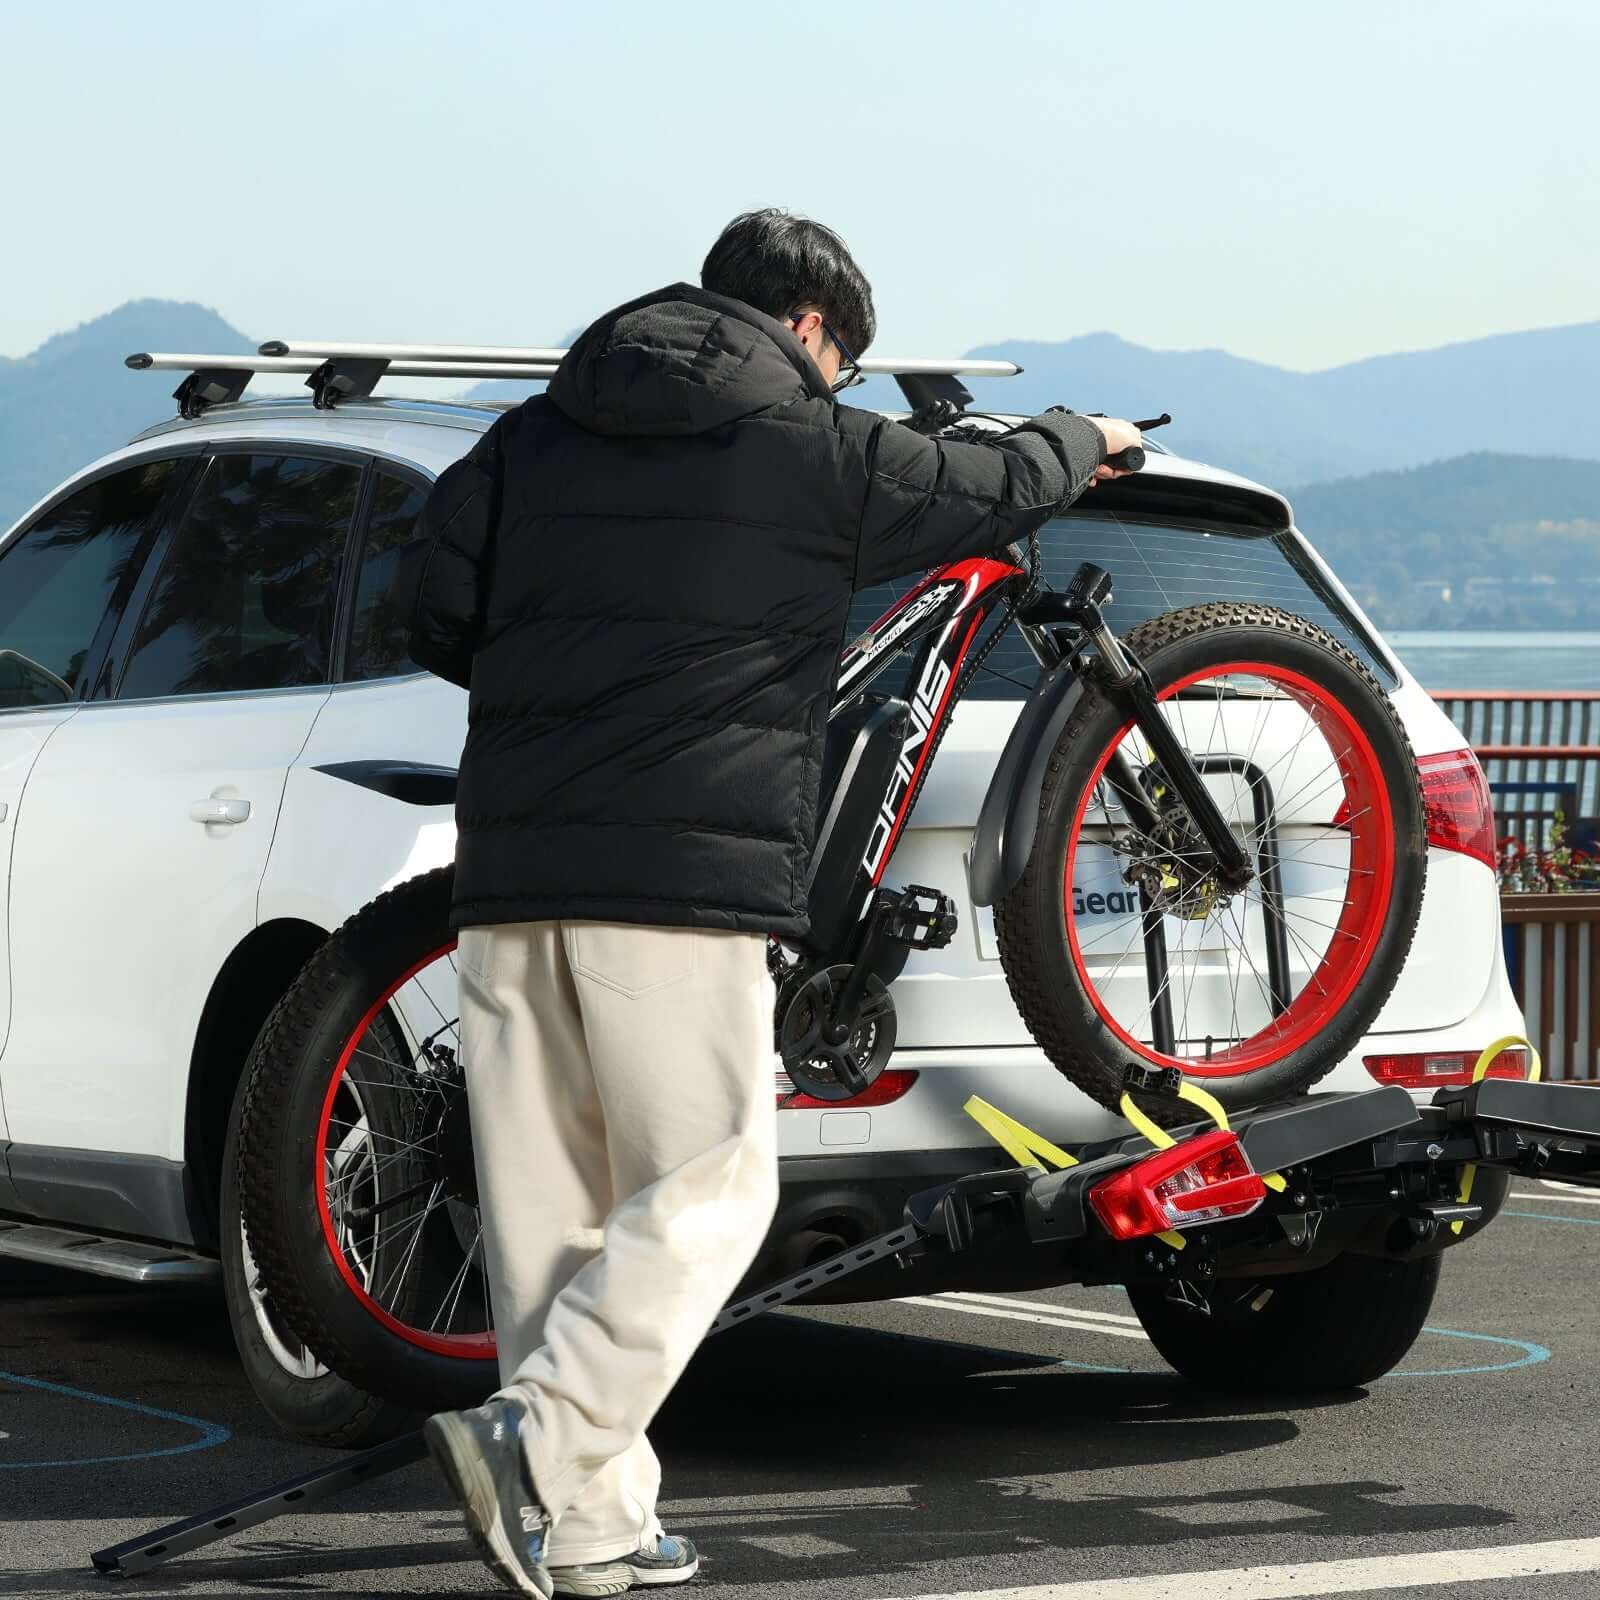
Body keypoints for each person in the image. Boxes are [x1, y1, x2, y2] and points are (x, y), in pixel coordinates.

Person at [403, 209, 1140, 1599]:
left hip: (511, 876)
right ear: (810, 325)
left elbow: (433, 609)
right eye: (841, 362)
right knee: (714, 1184)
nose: (837, 382)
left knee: (555, 1220)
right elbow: (987, 487)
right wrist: (1085, 436)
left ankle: (587, 1523)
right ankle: (537, 1437)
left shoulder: (530, 437)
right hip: (678, 883)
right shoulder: (810, 445)